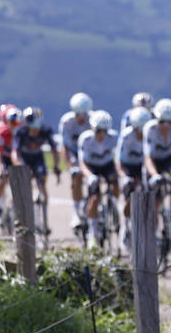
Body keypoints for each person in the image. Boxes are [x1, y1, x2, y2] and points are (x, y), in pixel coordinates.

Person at [78, 110, 119, 249]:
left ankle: (114, 207)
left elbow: (118, 159)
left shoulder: (114, 137)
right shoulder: (86, 139)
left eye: (105, 131)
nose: (102, 135)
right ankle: (93, 235)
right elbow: (82, 163)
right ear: (92, 128)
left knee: (116, 184)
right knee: (94, 199)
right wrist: (89, 176)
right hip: (92, 167)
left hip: (107, 166)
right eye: (98, 131)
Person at [115, 106, 151, 251]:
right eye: (138, 130)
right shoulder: (126, 135)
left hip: (143, 166)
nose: (141, 134)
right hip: (128, 167)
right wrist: (124, 177)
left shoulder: (150, 134)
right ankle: (127, 224)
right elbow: (118, 161)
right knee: (130, 196)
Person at [11, 106, 59, 209]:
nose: (36, 129)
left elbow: (54, 150)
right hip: (24, 158)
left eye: (37, 124)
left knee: (42, 182)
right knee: (23, 183)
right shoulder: (20, 132)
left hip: (37, 158)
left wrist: (56, 166)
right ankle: (17, 207)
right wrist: (19, 166)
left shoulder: (46, 130)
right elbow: (15, 153)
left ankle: (44, 217)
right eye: (33, 125)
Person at [59, 92, 94, 231]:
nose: (82, 119)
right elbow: (64, 147)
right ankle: (76, 213)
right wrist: (70, 166)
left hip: (89, 154)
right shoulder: (66, 122)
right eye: (78, 115)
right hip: (74, 154)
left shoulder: (93, 119)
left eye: (84, 115)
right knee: (77, 178)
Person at [0, 104, 21, 227]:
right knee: (2, 180)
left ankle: (13, 208)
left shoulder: (19, 129)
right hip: (1, 157)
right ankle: (0, 206)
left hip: (13, 157)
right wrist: (0, 167)